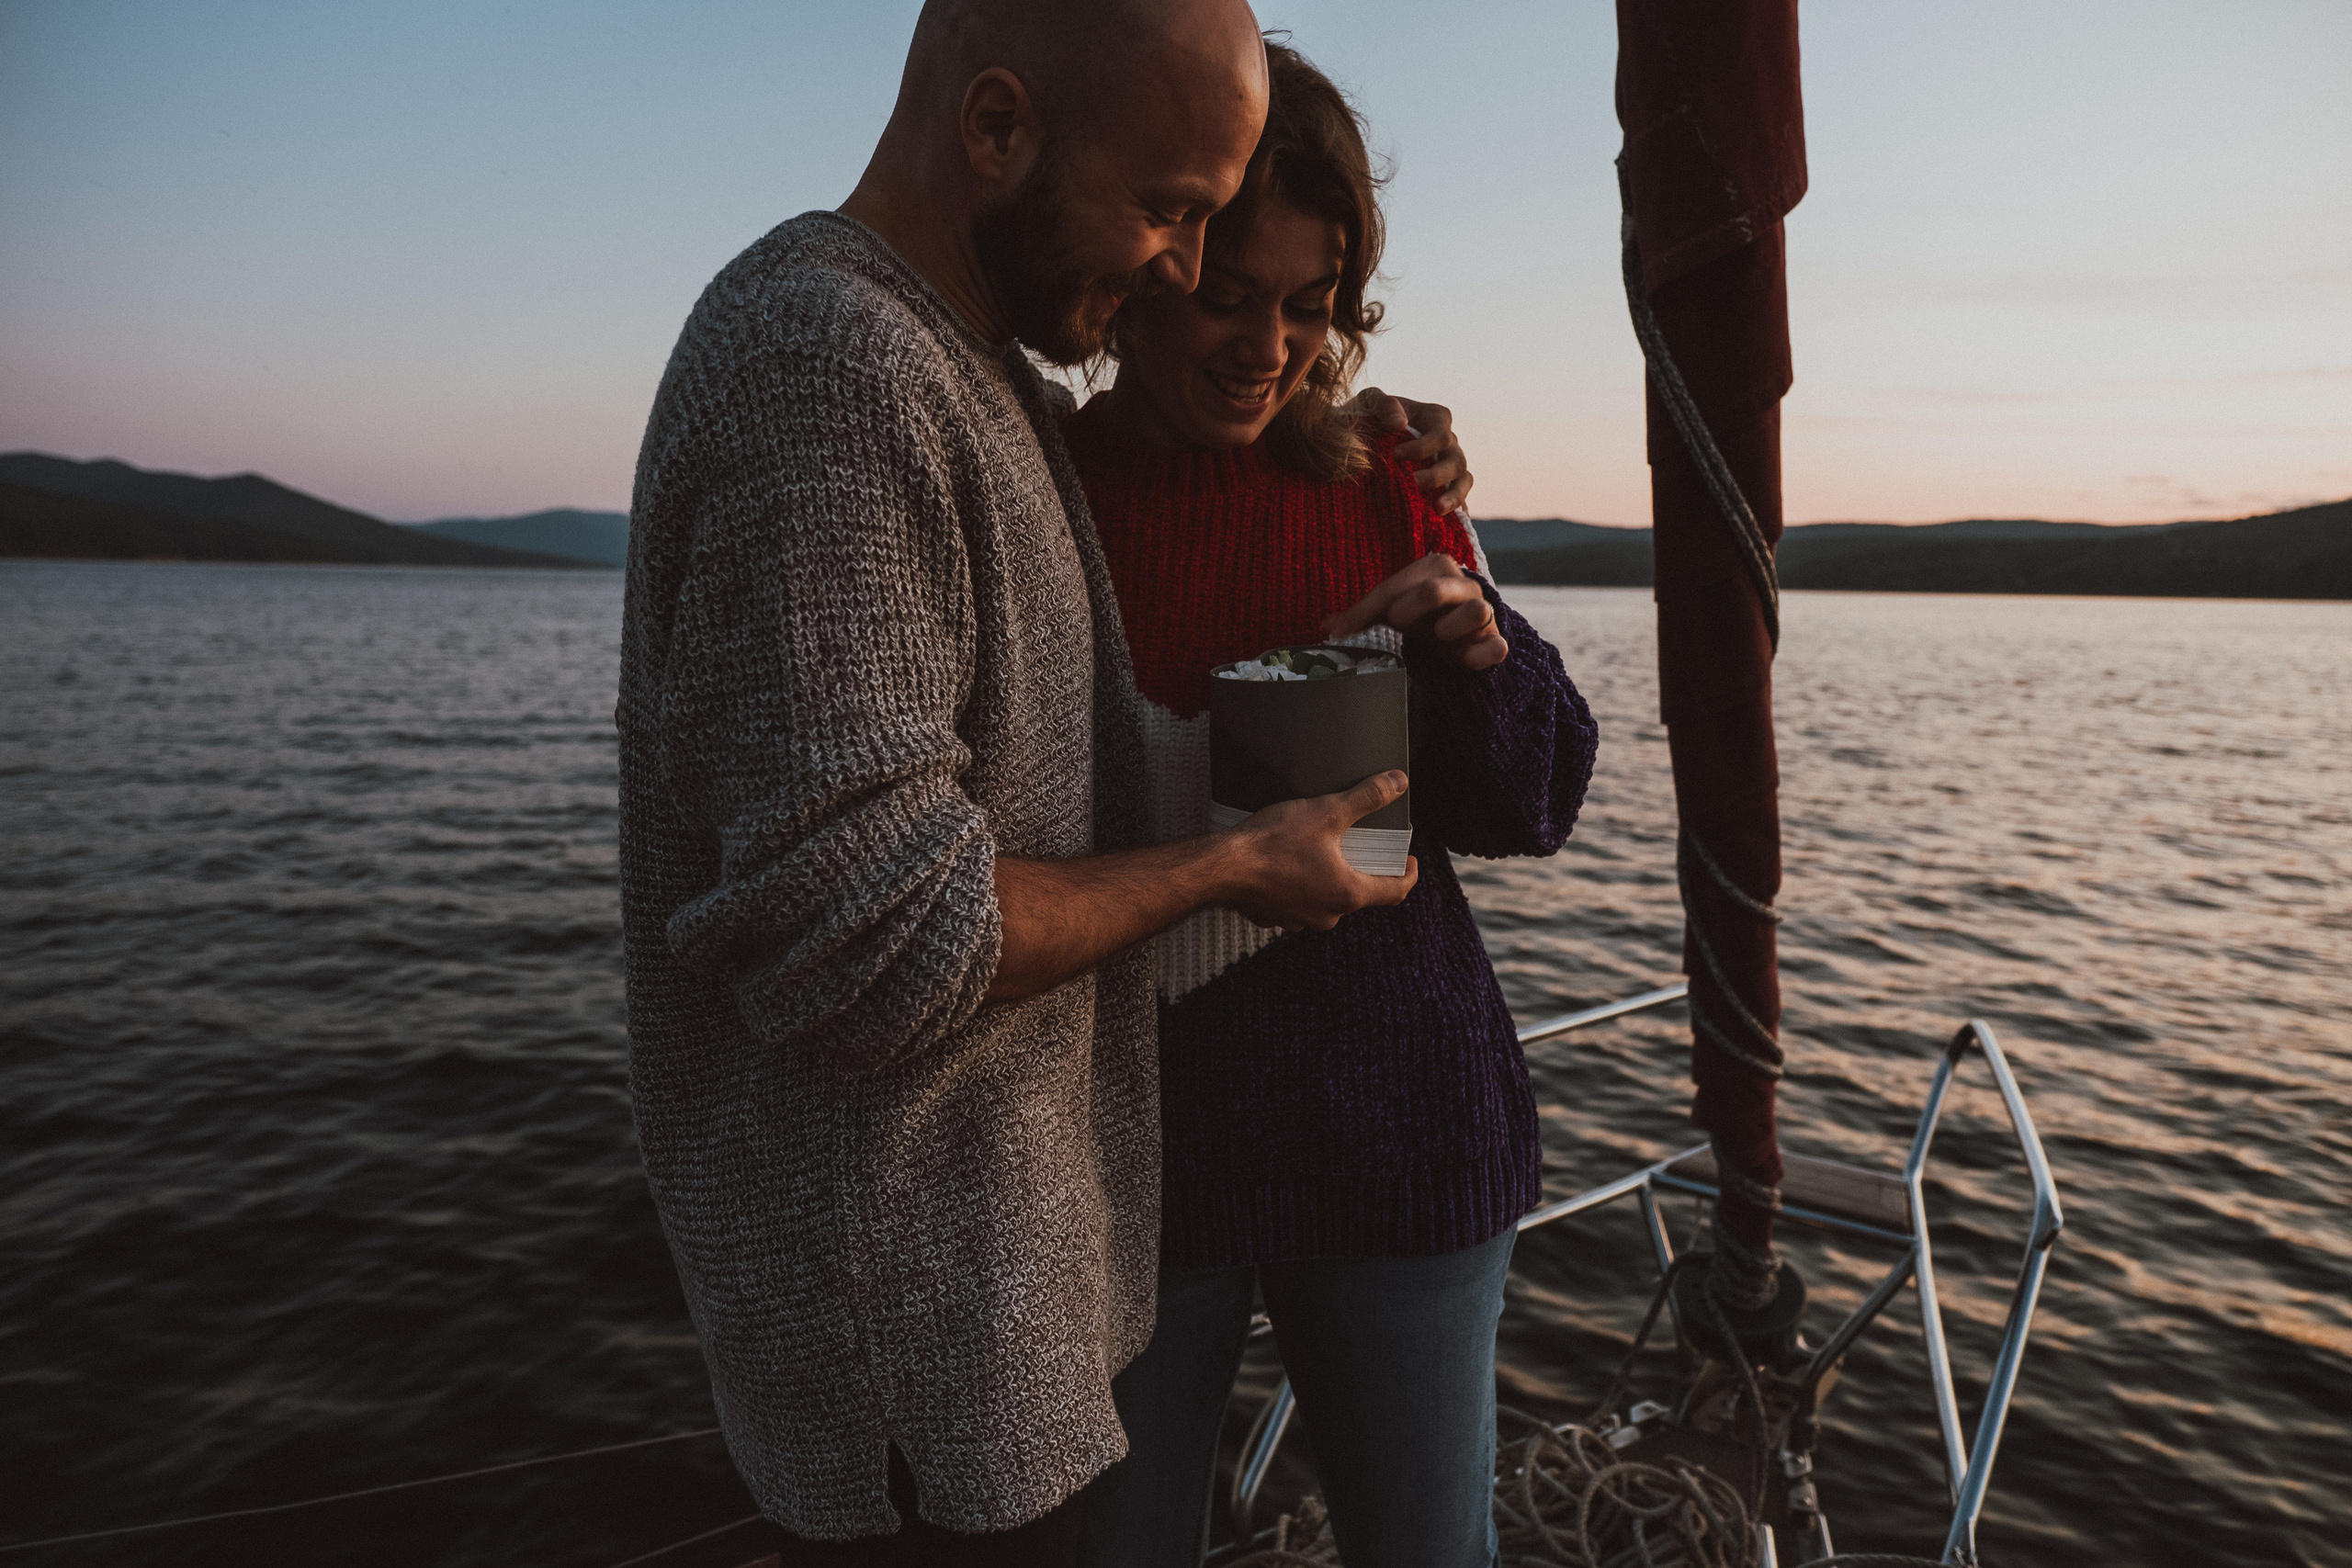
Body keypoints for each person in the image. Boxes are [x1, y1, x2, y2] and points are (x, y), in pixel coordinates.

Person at [616, 3, 1470, 1561]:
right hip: (921, 1377)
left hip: (1017, 1323)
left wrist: (1332, 733)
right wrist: (1226, 869)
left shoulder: (981, 382)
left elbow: (1074, 776)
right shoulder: (824, 368)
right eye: (1169, 211)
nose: (1177, 269)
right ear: (997, 128)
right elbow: (875, 941)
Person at [1064, 44, 1599, 1568]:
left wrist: (1480, 651)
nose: (1271, 346)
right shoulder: (1038, 487)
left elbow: (1536, 798)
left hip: (1403, 1133)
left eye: (1312, 306)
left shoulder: (1382, 471)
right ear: (1139, 262)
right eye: (1230, 293)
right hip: (1125, 1160)